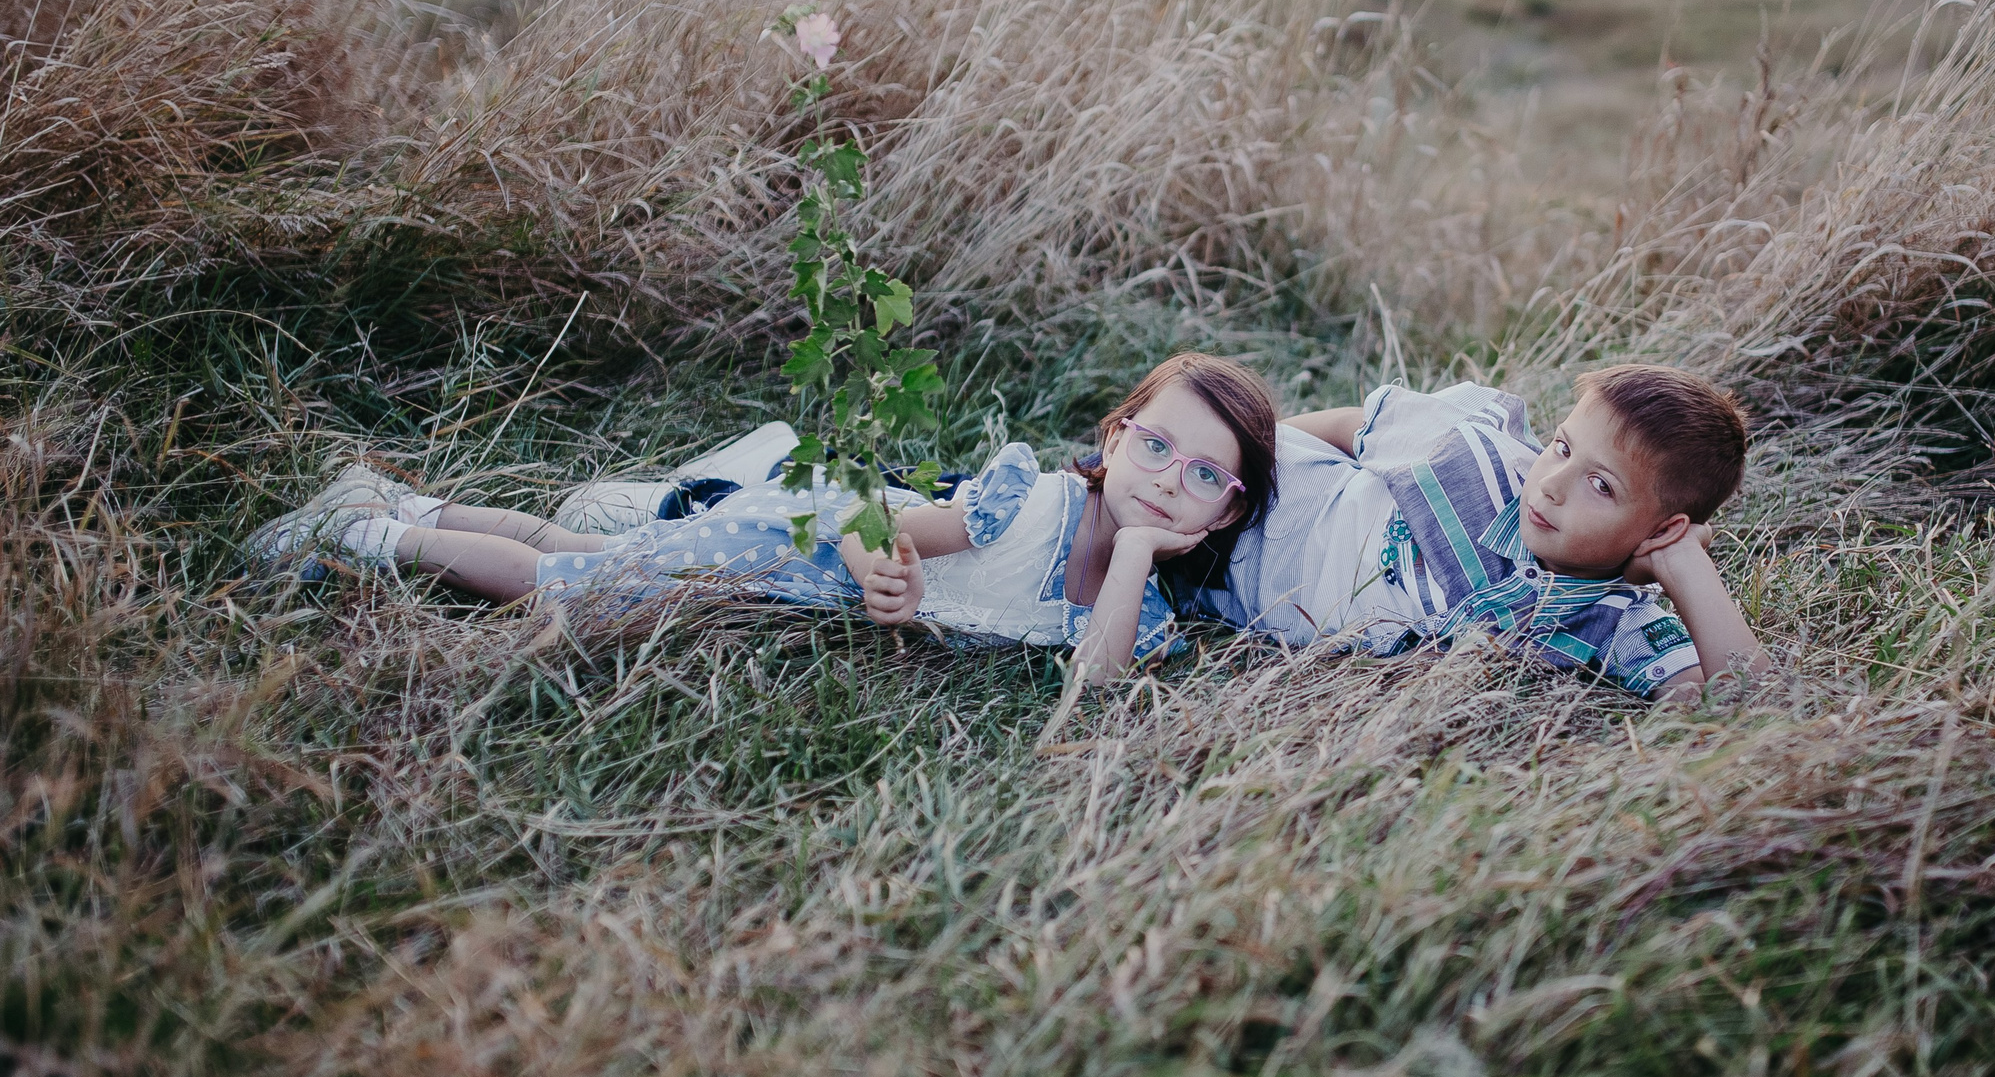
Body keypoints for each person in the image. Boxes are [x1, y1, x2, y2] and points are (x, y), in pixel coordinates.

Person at [247, 353, 1279, 685]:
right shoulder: (1030, 503)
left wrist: (1140, 549)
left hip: (784, 578)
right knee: (583, 592)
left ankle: (402, 501)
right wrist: (880, 566)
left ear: (1225, 512)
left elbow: (1093, 684)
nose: (1164, 479)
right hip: (790, 543)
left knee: (593, 549)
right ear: (1111, 438)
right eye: (1153, 446)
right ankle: (366, 538)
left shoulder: (1140, 615)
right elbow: (873, 522)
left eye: (1200, 477)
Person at [1203, 365, 1768, 703]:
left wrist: (1687, 570)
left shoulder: (1610, 619)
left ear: (1666, 528)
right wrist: (1244, 458)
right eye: (1563, 448)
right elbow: (1350, 427)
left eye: (1600, 485)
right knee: (1123, 486)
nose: (1551, 485)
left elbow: (1748, 700)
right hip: (1258, 491)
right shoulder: (1472, 458)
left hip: (1226, 587)